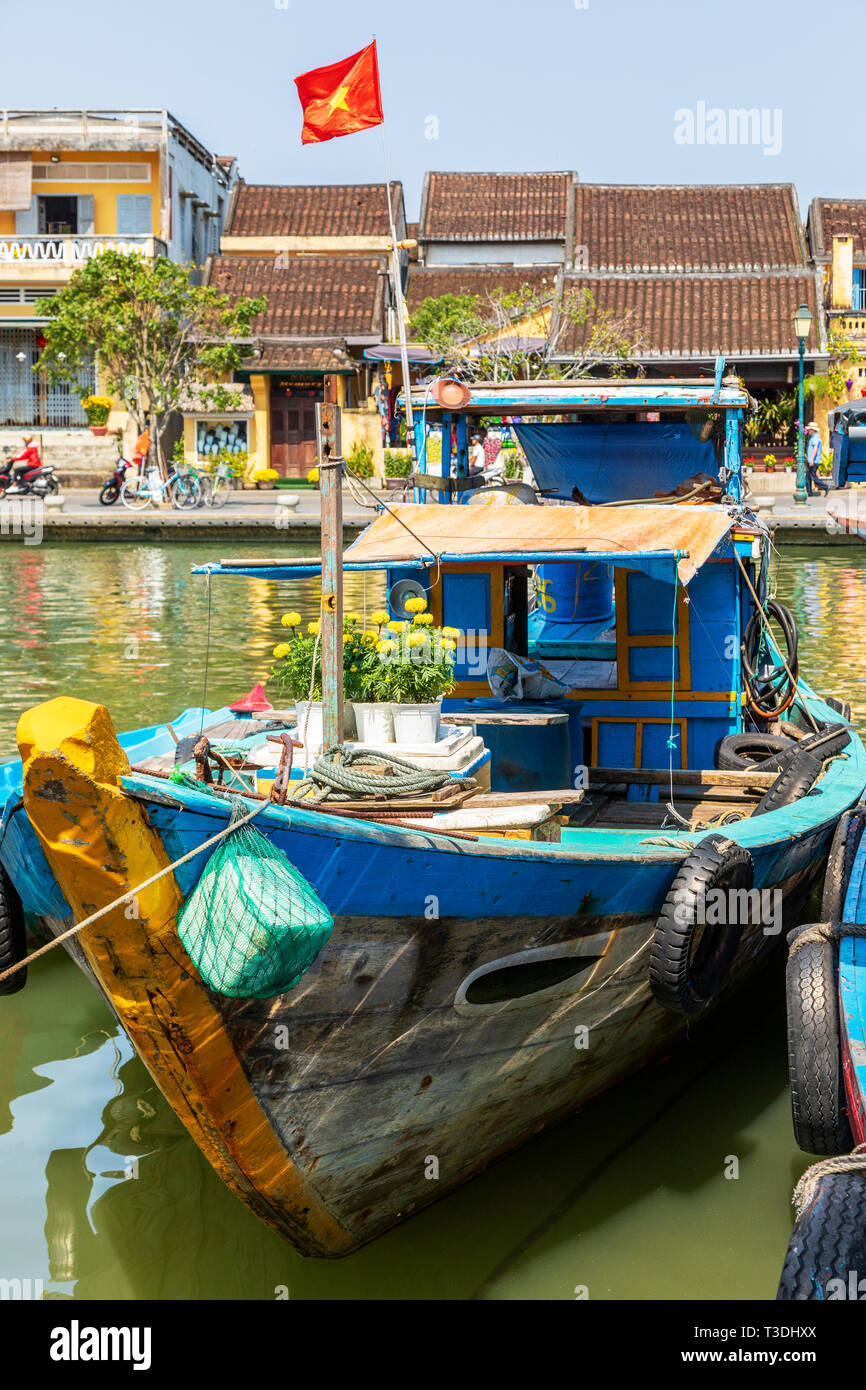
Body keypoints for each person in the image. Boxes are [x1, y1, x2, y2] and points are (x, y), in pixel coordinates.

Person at [804, 423, 829, 497]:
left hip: (814, 461)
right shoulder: (813, 437)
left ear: (812, 430)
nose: (808, 431)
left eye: (809, 429)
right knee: (808, 477)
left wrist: (811, 460)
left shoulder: (816, 437)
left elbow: (815, 448)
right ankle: (809, 493)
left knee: (813, 477)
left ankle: (826, 487)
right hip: (811, 461)